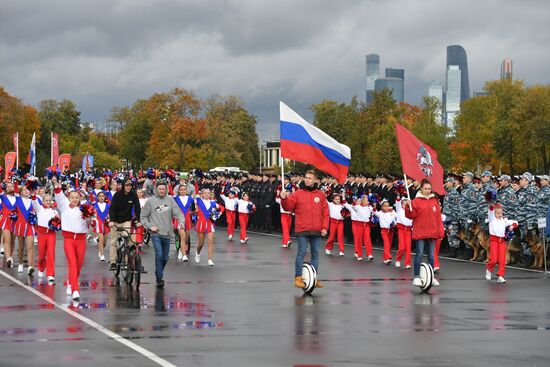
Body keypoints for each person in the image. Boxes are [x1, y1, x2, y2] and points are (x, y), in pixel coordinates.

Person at [280, 170, 329, 289]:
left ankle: (314, 277)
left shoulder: (321, 195)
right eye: (306, 177)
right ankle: (298, 278)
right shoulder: (298, 193)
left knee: (315, 254)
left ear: (315, 180)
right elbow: (288, 206)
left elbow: (325, 213)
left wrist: (324, 227)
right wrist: (284, 199)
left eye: (310, 178)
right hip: (302, 229)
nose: (307, 180)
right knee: (301, 253)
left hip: (316, 229)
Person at [141, 180, 185, 288]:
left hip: (167, 233)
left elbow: (178, 213)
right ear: (156, 189)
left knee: (165, 258)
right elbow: (143, 216)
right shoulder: (150, 201)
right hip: (156, 233)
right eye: (160, 189)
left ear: (166, 189)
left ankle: (158, 271)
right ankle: (159, 278)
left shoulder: (170, 200)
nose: (162, 191)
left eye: (163, 189)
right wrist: (149, 226)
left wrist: (181, 222)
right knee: (159, 255)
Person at [53, 182, 91, 301]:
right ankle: (75, 290)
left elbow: (92, 222)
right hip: (69, 240)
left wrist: (91, 220)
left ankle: (71, 281)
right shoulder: (64, 206)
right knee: (73, 264)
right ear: (69, 198)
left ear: (80, 198)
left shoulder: (85, 208)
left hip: (81, 240)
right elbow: (59, 196)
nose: (74, 199)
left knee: (78, 265)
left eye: (77, 197)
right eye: (72, 197)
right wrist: (56, 186)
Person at [405, 179, 444, 287]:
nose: (427, 191)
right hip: (420, 230)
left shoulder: (434, 201)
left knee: (431, 256)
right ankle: (416, 277)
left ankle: (431, 277)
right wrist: (409, 207)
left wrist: (440, 231)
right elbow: (410, 216)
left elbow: (438, 218)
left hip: (432, 231)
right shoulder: (416, 201)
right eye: (425, 189)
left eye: (429, 189)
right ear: (421, 189)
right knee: (419, 253)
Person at [107, 178, 141, 270]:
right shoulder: (117, 195)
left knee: (127, 237)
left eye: (130, 185)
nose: (128, 187)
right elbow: (112, 208)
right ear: (123, 186)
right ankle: (113, 262)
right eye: (126, 185)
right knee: (113, 241)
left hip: (126, 220)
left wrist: (138, 221)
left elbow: (137, 208)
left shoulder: (133, 195)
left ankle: (127, 261)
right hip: (115, 221)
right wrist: (112, 220)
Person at [485, 204, 518, 283]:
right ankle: (489, 270)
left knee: (502, 259)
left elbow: (515, 222)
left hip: (502, 241)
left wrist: (512, 227)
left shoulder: (504, 220)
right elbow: (490, 210)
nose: (500, 215)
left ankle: (501, 275)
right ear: (494, 214)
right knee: (493, 259)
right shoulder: (492, 218)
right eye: (498, 213)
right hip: (494, 241)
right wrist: (493, 203)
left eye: (501, 213)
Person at [31, 191, 57, 282]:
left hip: (51, 234)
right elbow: (34, 201)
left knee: (51, 253)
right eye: (46, 200)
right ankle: (41, 268)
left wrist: (57, 224)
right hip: (42, 234)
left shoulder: (54, 211)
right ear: (42, 201)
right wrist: (33, 194)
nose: (49, 202)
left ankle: (50, 274)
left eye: (50, 200)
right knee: (42, 254)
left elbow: (57, 222)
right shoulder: (39, 209)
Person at [194, 188, 220, 265]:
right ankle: (197, 253)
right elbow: (194, 194)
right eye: (205, 193)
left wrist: (217, 215)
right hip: (201, 223)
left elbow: (222, 208)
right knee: (201, 243)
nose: (207, 195)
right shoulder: (198, 200)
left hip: (210, 223)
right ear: (202, 194)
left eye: (208, 193)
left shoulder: (213, 203)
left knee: (210, 241)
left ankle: (210, 259)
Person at [344, 195, 374, 261]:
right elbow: (349, 205)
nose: (368, 202)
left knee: (367, 240)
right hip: (358, 225)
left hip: (366, 225)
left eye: (368, 200)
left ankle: (369, 254)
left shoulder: (369, 207)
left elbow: (375, 210)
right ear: (363, 201)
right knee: (359, 240)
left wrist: (374, 203)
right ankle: (359, 254)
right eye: (367, 200)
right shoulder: (357, 207)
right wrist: (345, 197)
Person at [14, 186, 36, 275]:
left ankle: (30, 266)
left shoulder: (33, 201)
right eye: (24, 190)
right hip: (20, 225)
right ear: (21, 192)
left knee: (30, 246)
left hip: (30, 226)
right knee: (21, 246)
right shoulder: (17, 199)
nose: (26, 191)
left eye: (28, 189)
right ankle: (20, 263)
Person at [173, 184, 193, 261]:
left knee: (187, 237)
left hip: (187, 219)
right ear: (179, 191)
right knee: (183, 237)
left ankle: (182, 250)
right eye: (181, 190)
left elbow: (194, 208)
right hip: (179, 219)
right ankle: (184, 255)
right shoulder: (175, 198)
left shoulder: (190, 198)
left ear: (186, 190)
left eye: (184, 189)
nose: (183, 191)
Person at [373, 199, 397, 265]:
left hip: (391, 230)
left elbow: (396, 217)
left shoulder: (392, 212)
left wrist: (395, 223)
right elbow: (375, 212)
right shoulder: (380, 213)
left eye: (388, 206)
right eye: (385, 206)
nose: (387, 207)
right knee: (386, 244)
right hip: (384, 231)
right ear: (382, 207)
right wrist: (374, 207)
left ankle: (385, 259)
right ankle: (388, 256)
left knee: (389, 245)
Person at [0, 182, 18, 268]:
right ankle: (8, 258)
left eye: (11, 186)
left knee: (12, 241)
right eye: (8, 187)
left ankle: (10, 256)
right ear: (5, 189)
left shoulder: (18, 198)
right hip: (6, 220)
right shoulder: (3, 197)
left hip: (15, 221)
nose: (10, 188)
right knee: (7, 240)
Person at [395, 197, 412, 268]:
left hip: (408, 230)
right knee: (402, 247)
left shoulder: (410, 211)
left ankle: (407, 263)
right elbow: (398, 202)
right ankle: (398, 259)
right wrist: (398, 196)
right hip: (401, 229)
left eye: (407, 204)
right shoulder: (399, 210)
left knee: (408, 248)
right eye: (404, 204)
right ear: (402, 205)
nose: (406, 206)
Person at [93, 191, 110, 262]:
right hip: (98, 224)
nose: (101, 197)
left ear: (105, 197)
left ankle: (100, 250)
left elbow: (110, 214)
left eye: (103, 196)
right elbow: (92, 215)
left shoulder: (108, 205)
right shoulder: (94, 205)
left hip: (106, 224)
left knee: (104, 242)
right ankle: (102, 255)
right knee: (101, 239)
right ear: (97, 197)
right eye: (100, 196)